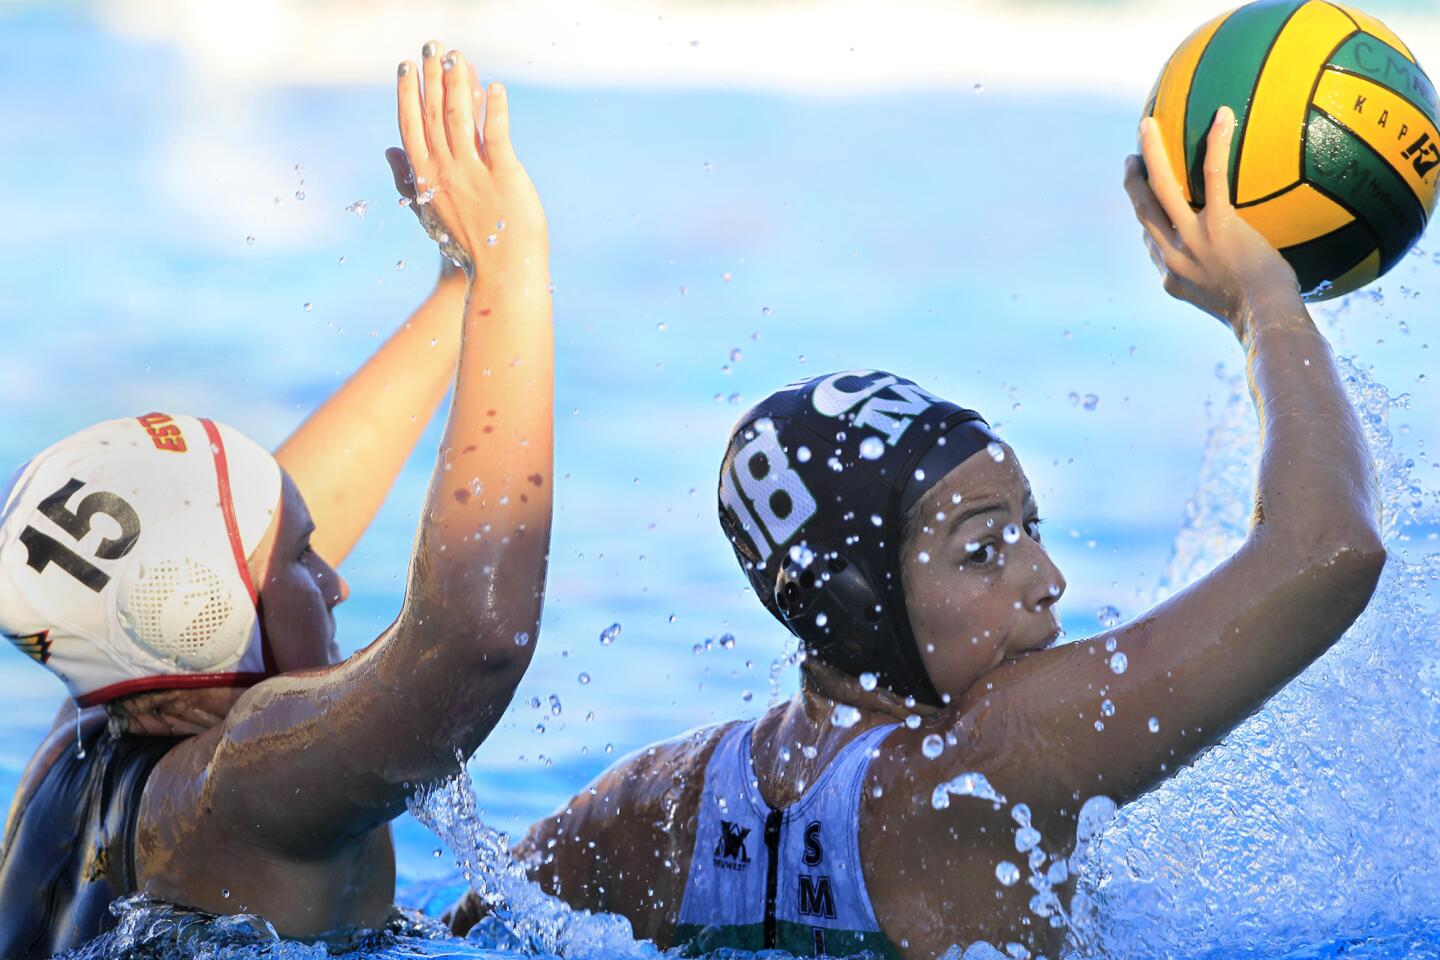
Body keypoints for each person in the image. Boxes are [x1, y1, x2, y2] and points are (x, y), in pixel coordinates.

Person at [445, 107, 1388, 959]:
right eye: (984, 549)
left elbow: (460, 926)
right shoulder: (995, 762)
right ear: (861, 603)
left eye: (1030, 526)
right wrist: (1262, 304)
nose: (1048, 577)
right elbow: (1327, 551)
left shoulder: (654, 803)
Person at [0, 43, 553, 957]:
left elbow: (248, 542)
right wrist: (516, 274)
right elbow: (476, 643)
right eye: (305, 559)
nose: (335, 580)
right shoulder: (246, 784)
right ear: (200, 616)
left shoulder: (89, 726)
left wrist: (461, 288)